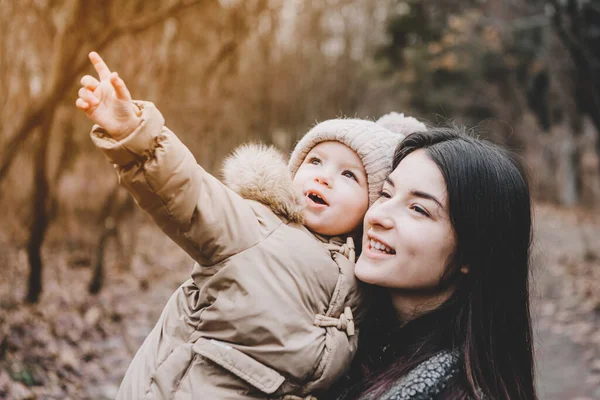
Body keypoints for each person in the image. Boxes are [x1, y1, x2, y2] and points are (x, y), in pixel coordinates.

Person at [75, 51, 426, 399]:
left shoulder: (366, 277)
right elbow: (187, 192)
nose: (324, 178)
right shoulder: (257, 223)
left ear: (376, 202)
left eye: (349, 174)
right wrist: (136, 133)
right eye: (316, 161)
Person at [329, 127, 537, 399]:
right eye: (387, 194)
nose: (378, 215)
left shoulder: (450, 389)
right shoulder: (352, 333)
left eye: (418, 209)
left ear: (471, 253)